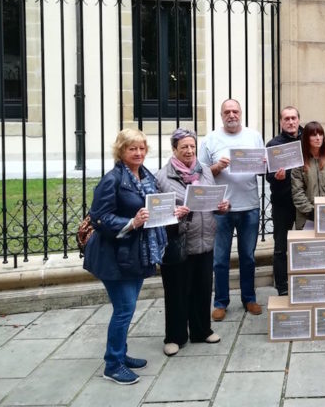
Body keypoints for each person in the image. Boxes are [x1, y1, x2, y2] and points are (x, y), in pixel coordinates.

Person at [83, 129, 167, 385]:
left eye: (141, 148)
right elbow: (99, 218)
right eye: (132, 148)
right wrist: (131, 222)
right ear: (121, 151)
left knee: (127, 309)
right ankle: (112, 364)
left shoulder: (145, 175)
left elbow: (152, 207)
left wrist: (170, 212)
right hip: (113, 255)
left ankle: (120, 353)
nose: (138, 153)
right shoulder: (112, 179)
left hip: (135, 253)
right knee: (124, 309)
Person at [156, 128, 230, 356]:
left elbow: (212, 201)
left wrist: (222, 207)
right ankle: (175, 337)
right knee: (177, 292)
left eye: (192, 146)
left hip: (205, 239)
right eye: (184, 147)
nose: (189, 151)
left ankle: (201, 330)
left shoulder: (205, 171)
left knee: (202, 288)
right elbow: (157, 213)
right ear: (174, 149)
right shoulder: (162, 176)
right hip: (179, 242)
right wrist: (174, 213)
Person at [199, 99, 265, 319]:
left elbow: (263, 168)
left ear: (241, 113)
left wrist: (265, 165)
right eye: (227, 112)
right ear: (221, 115)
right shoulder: (210, 139)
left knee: (248, 257)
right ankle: (220, 302)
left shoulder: (254, 136)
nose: (231, 115)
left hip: (249, 206)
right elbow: (200, 174)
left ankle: (249, 298)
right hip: (220, 209)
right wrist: (217, 167)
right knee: (220, 259)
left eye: (235, 111)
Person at [265, 106, 302, 296]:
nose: (290, 122)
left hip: (304, 202)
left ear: (298, 120)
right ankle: (282, 286)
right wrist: (276, 177)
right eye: (286, 118)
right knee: (281, 246)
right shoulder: (273, 144)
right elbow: (268, 175)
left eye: (293, 118)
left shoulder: (308, 138)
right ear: (281, 122)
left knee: (306, 243)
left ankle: (305, 281)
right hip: (282, 203)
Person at [291, 121, 325, 229]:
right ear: (306, 138)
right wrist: (312, 212)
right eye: (313, 135)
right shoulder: (299, 161)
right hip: (307, 217)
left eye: (320, 134)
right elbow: (297, 192)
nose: (318, 138)